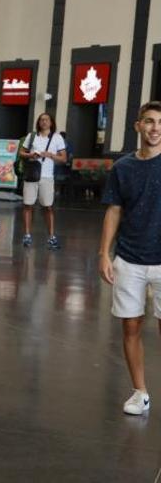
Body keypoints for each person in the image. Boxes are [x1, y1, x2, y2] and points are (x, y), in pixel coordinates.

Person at [98, 101, 161, 416]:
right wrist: (104, 253)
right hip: (129, 258)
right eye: (149, 121)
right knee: (131, 326)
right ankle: (141, 392)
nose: (155, 128)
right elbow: (114, 210)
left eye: (160, 123)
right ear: (138, 125)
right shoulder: (123, 167)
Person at [19, 112, 67, 250]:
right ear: (38, 123)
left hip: (47, 176)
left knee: (48, 206)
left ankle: (51, 237)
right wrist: (31, 155)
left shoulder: (57, 138)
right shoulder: (32, 136)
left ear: (51, 122)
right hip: (32, 174)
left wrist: (51, 155)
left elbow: (64, 158)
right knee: (28, 205)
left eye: (46, 120)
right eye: (41, 120)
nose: (44, 122)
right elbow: (21, 152)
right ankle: (27, 235)